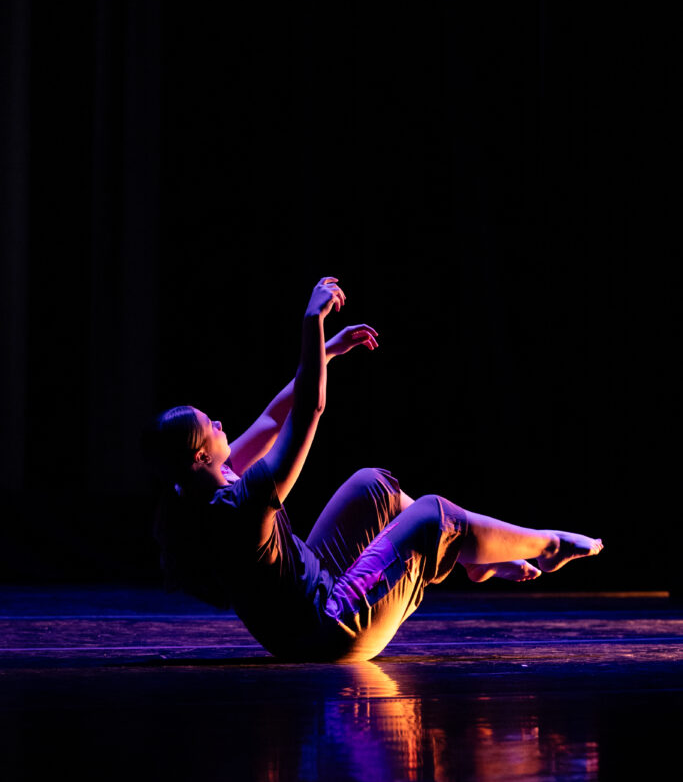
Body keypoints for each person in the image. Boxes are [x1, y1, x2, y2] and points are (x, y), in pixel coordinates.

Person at [147, 276, 603, 663]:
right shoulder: (236, 508)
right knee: (433, 515)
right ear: (199, 457)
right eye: (211, 426)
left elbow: (271, 419)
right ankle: (548, 545)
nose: (220, 423)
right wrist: (312, 321)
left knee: (372, 485)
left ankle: (470, 558)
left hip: (315, 600)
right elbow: (308, 411)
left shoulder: (205, 491)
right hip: (331, 631)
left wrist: (326, 351)